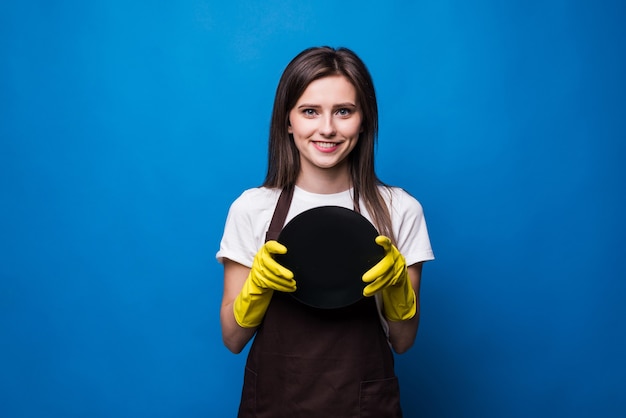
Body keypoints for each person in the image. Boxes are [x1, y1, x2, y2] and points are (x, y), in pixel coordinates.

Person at [216, 46, 434, 417]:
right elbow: (233, 340)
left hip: (363, 406)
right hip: (274, 404)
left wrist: (398, 290)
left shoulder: (400, 210)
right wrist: (258, 288)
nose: (328, 128)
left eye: (344, 111)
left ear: (364, 120)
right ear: (288, 121)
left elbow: (403, 341)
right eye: (310, 111)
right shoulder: (252, 208)